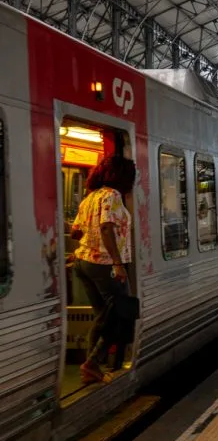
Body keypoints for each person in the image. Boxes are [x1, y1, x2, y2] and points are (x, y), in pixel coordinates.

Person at [71, 155, 137, 386]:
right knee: (122, 314)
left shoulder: (90, 198)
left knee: (103, 317)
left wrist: (88, 241)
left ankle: (92, 367)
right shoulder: (112, 195)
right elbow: (106, 229)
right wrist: (118, 264)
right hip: (104, 264)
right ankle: (92, 363)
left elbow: (75, 232)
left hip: (84, 263)